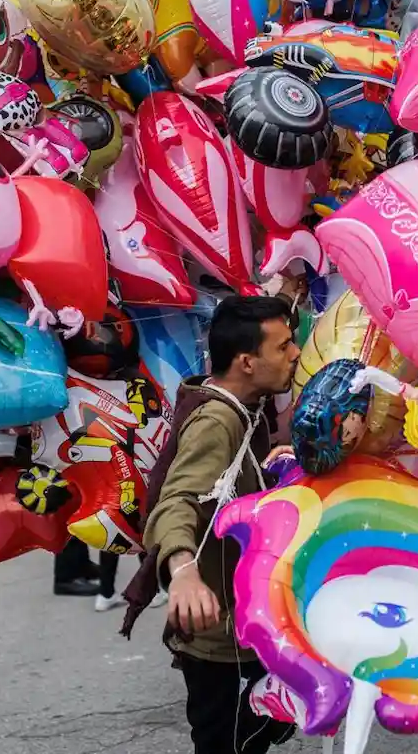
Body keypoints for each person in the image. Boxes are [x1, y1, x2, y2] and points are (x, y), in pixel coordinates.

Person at [126, 295, 300, 754]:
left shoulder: (241, 409)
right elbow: (177, 498)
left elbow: (222, 487)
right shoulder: (217, 418)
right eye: (283, 346)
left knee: (269, 717)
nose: (296, 353)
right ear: (247, 361)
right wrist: (183, 572)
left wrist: (265, 473)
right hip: (216, 630)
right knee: (229, 740)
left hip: (237, 619)